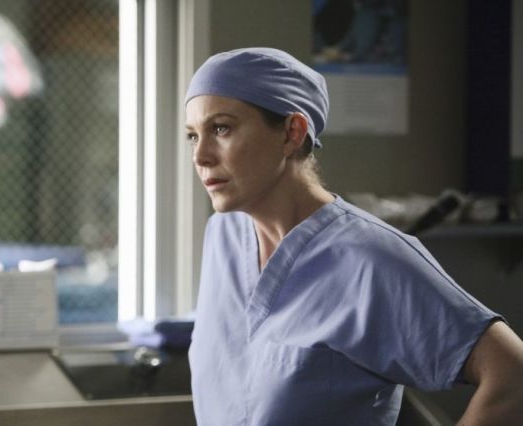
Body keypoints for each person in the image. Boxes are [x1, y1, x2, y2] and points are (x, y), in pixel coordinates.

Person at [184, 47, 523, 425]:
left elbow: (513, 377)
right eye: (192, 136)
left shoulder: (369, 258)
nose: (201, 156)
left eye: (221, 128)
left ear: (291, 133)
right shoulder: (223, 237)